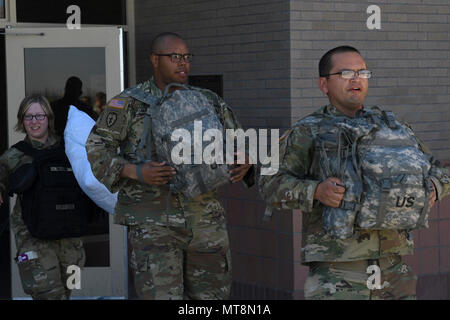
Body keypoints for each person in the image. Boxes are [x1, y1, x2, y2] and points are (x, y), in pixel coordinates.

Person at [259, 46, 450, 300]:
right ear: (323, 84)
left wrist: (435, 187)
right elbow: (269, 183)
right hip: (338, 274)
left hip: (394, 268)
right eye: (345, 73)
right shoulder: (306, 131)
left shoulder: (393, 128)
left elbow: (439, 170)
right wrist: (316, 190)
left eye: (362, 72)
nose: (356, 78)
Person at [86, 32, 254, 300]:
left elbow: (239, 143)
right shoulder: (129, 103)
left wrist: (245, 162)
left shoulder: (208, 100)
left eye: (187, 57)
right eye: (174, 57)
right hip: (153, 225)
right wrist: (135, 171)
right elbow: (96, 148)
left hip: (205, 221)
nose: (183, 63)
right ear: (155, 60)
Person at [0, 95, 85, 299]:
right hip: (34, 239)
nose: (34, 122)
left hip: (70, 240)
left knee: (68, 291)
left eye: (39, 115)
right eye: (28, 117)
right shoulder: (14, 155)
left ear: (48, 117)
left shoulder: (69, 149)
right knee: (48, 295)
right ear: (22, 121)